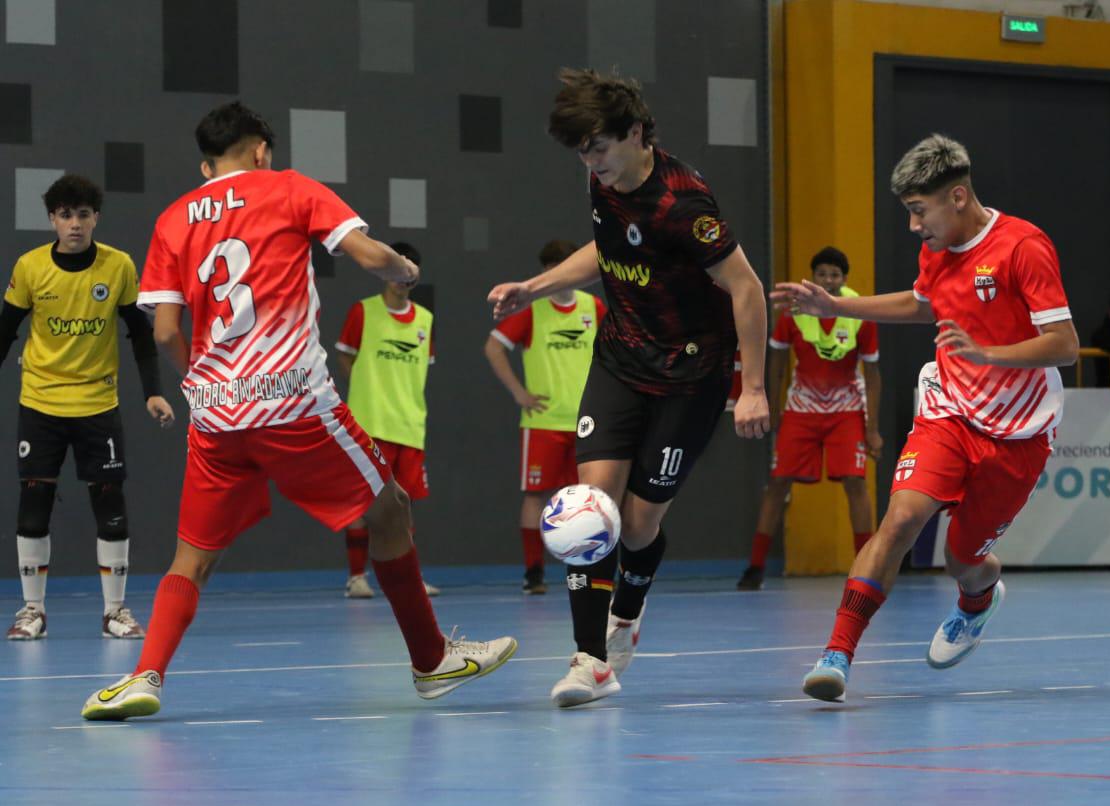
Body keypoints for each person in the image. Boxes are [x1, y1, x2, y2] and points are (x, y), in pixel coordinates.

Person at [81, 102, 515, 721]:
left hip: (215, 415)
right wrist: (405, 266)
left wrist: (202, 382)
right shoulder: (290, 189)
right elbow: (368, 257)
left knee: (193, 555)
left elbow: (166, 330)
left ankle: (144, 675)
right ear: (260, 150)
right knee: (389, 507)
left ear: (209, 160)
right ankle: (431, 659)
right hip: (291, 404)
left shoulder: (175, 217)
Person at [489, 69, 770, 708]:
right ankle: (590, 661)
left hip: (691, 377)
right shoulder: (604, 180)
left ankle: (627, 614)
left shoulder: (684, 206)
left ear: (636, 133)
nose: (591, 163)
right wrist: (532, 289)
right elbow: (603, 249)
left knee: (639, 528)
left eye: (599, 149)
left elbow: (747, 288)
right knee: (593, 507)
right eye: (583, 153)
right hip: (619, 358)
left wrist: (751, 387)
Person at [774, 134, 1078, 702]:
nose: (914, 225)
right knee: (901, 519)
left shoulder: (1024, 247)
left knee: (962, 560)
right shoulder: (936, 248)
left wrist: (991, 353)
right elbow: (921, 304)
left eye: (920, 211)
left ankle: (978, 598)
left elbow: (1064, 344)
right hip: (948, 411)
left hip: (1017, 433)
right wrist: (836, 305)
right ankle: (836, 655)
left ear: (957, 196)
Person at [1, 174, 175, 641]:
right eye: (65, 215)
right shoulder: (31, 267)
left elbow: (139, 333)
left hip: (98, 405)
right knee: (34, 504)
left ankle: (115, 612)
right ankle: (31, 611)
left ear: (95, 217)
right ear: (52, 220)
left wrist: (153, 391)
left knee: (110, 504)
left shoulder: (118, 267)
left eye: (82, 214)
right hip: (41, 403)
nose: (74, 224)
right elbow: (5, 331)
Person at [738, 246, 882, 591]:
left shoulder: (860, 313)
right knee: (778, 483)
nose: (828, 281)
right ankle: (755, 567)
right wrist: (771, 409)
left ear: (844, 279)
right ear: (813, 277)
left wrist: (872, 429)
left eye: (835, 275)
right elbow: (776, 363)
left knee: (855, 482)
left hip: (847, 408)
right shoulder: (792, 312)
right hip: (801, 408)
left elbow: (874, 374)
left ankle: (867, 569)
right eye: (822, 274)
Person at [484, 239, 606, 594]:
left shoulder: (592, 307)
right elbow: (493, 347)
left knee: (583, 498)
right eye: (551, 268)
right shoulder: (532, 308)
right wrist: (519, 393)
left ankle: (580, 568)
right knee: (536, 495)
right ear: (544, 272)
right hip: (543, 423)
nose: (560, 275)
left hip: (586, 421)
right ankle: (534, 573)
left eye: (566, 266)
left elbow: (612, 348)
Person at [334, 241, 441, 599]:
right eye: (395, 269)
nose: (401, 278)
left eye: (408, 270)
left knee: (403, 506)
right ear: (384, 272)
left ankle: (409, 580)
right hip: (368, 425)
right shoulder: (363, 312)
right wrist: (369, 391)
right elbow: (345, 359)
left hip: (410, 426)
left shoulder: (425, 321)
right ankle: (356, 577)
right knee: (362, 503)